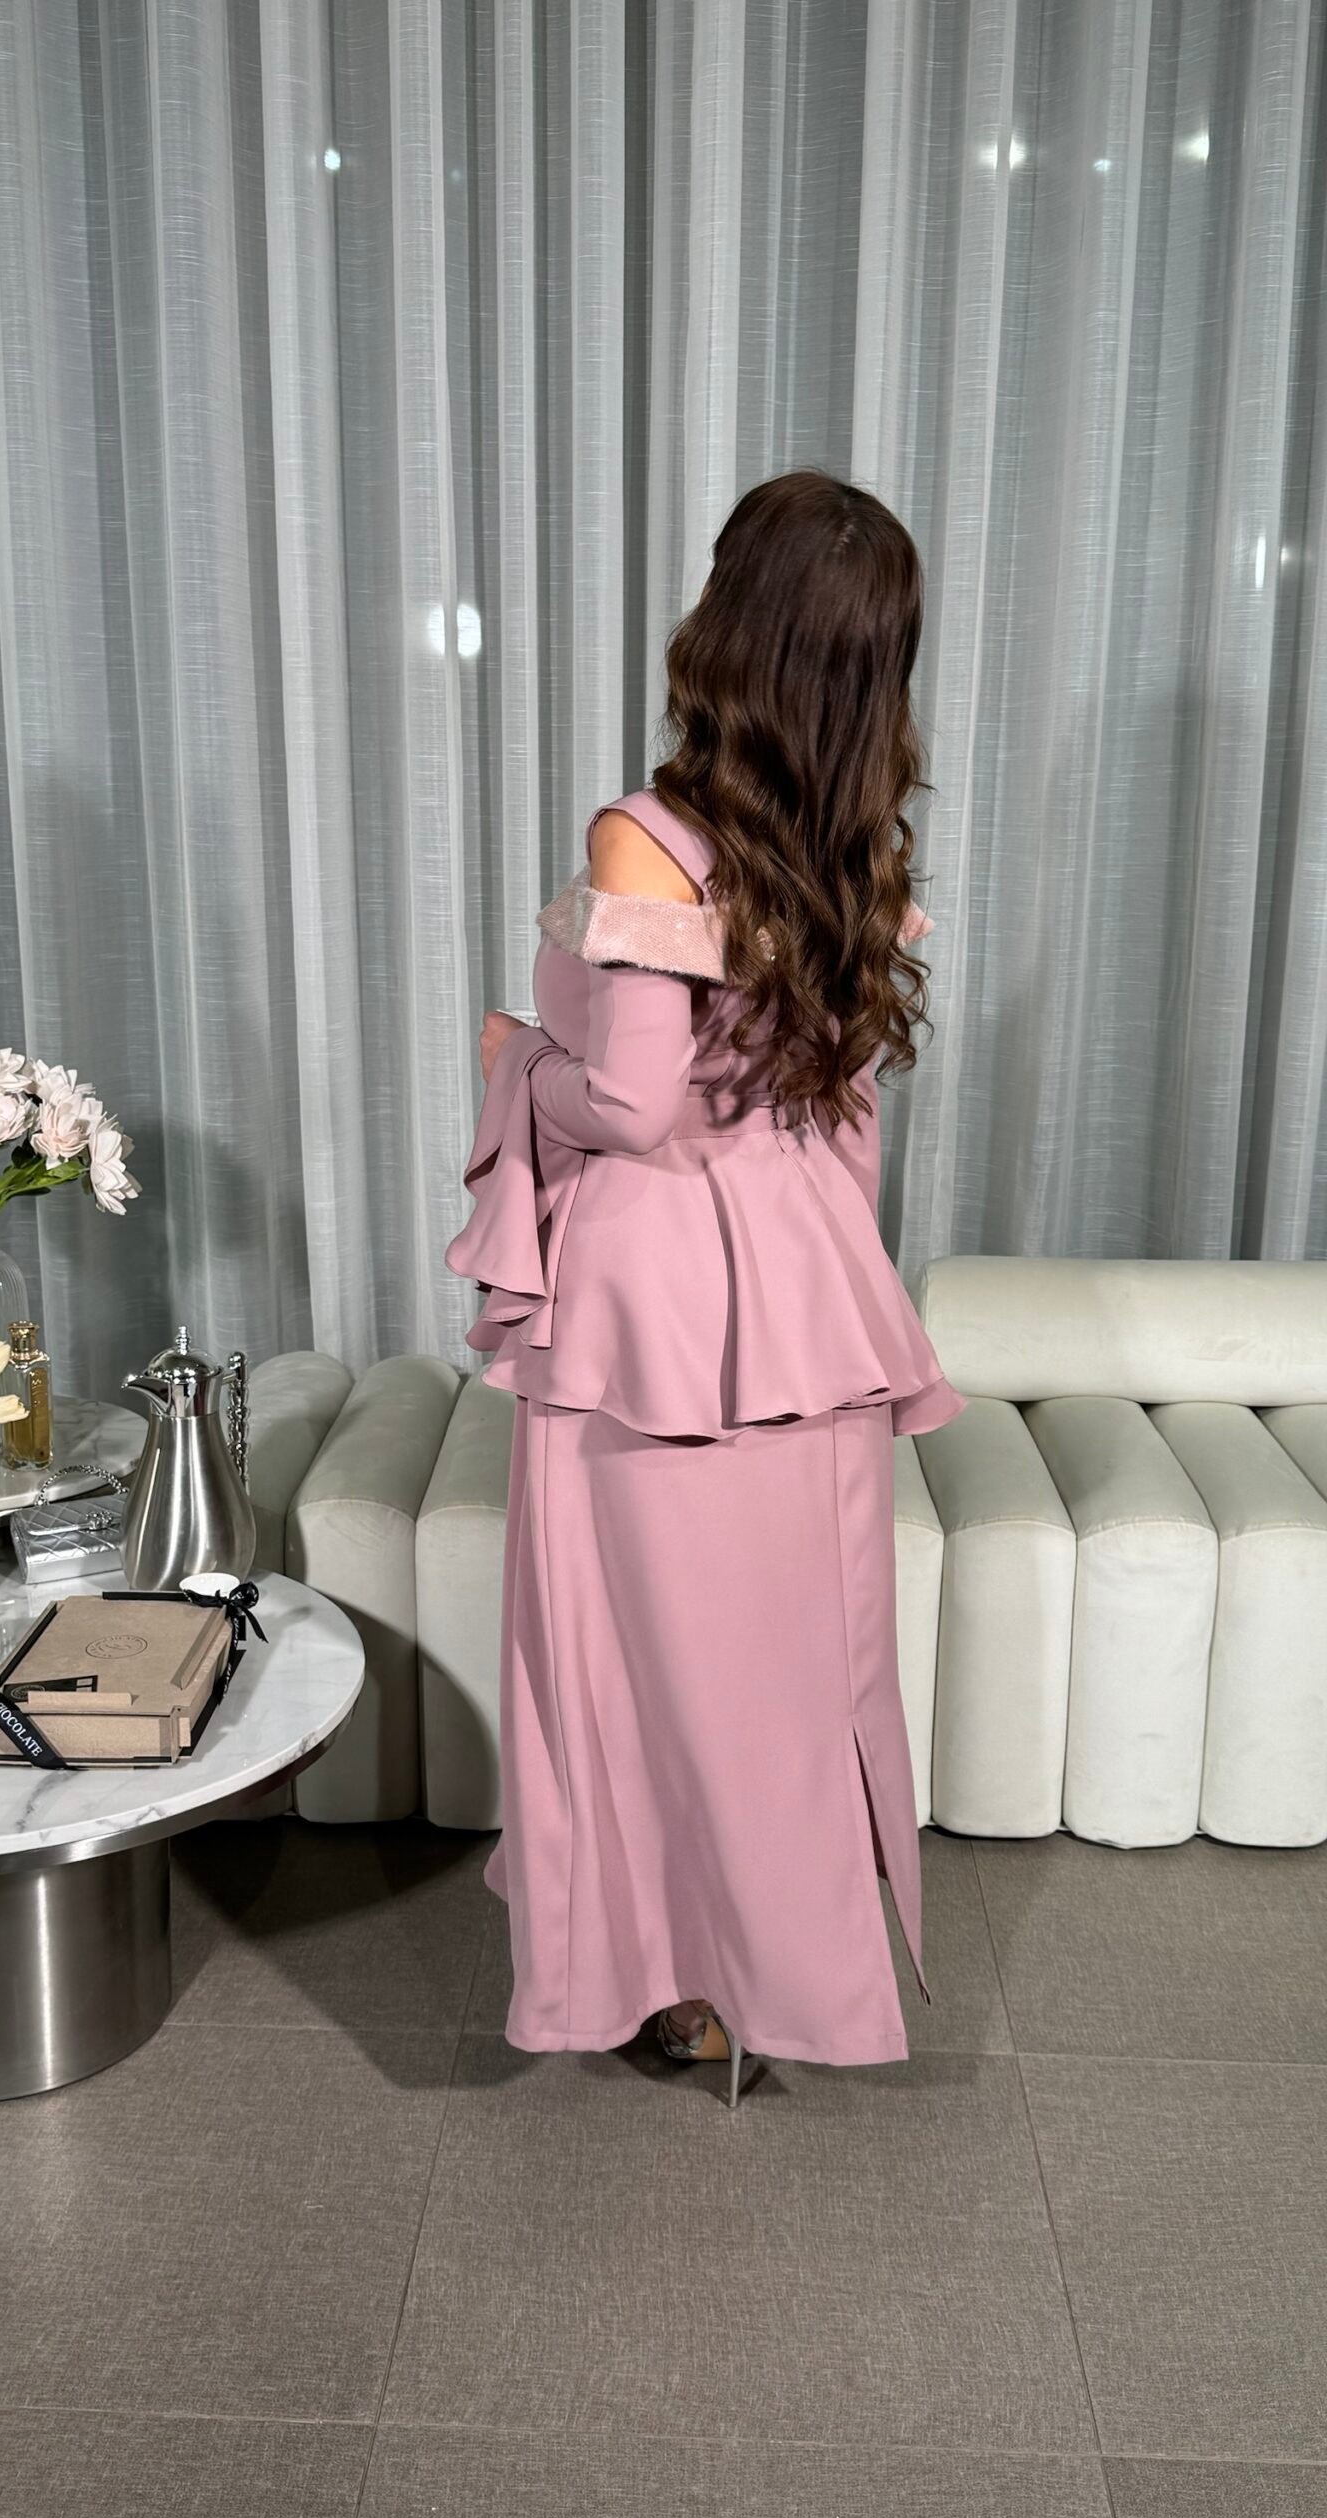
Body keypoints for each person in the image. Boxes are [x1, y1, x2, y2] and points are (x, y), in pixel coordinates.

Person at [445, 469, 966, 2108]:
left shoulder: (650, 837)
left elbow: (628, 1102)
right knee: (790, 1673)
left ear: (726, 623)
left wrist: (513, 1062)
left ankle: (663, 1985)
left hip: (651, 1323)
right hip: (809, 1316)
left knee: (619, 1666)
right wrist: (840, 1295)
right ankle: (776, 1976)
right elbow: (848, 1115)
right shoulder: (847, 842)